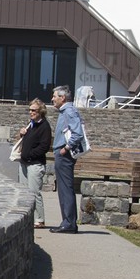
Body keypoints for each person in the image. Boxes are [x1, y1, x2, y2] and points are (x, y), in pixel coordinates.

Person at [49, 85, 86, 233]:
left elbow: (78, 134)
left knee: (65, 189)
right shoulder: (65, 111)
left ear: (62, 98)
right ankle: (67, 221)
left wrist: (66, 148)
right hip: (62, 153)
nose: (52, 99)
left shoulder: (69, 111)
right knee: (63, 188)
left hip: (64, 155)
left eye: (55, 96)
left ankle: (69, 223)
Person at [15, 99, 53, 229]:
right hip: (24, 163)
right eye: (30, 110)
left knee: (34, 192)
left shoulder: (45, 127)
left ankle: (39, 219)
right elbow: (25, 141)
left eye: (34, 110)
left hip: (35, 164)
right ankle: (26, 217)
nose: (31, 112)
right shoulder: (31, 124)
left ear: (40, 112)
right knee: (24, 192)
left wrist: (30, 154)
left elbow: (44, 147)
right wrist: (21, 134)